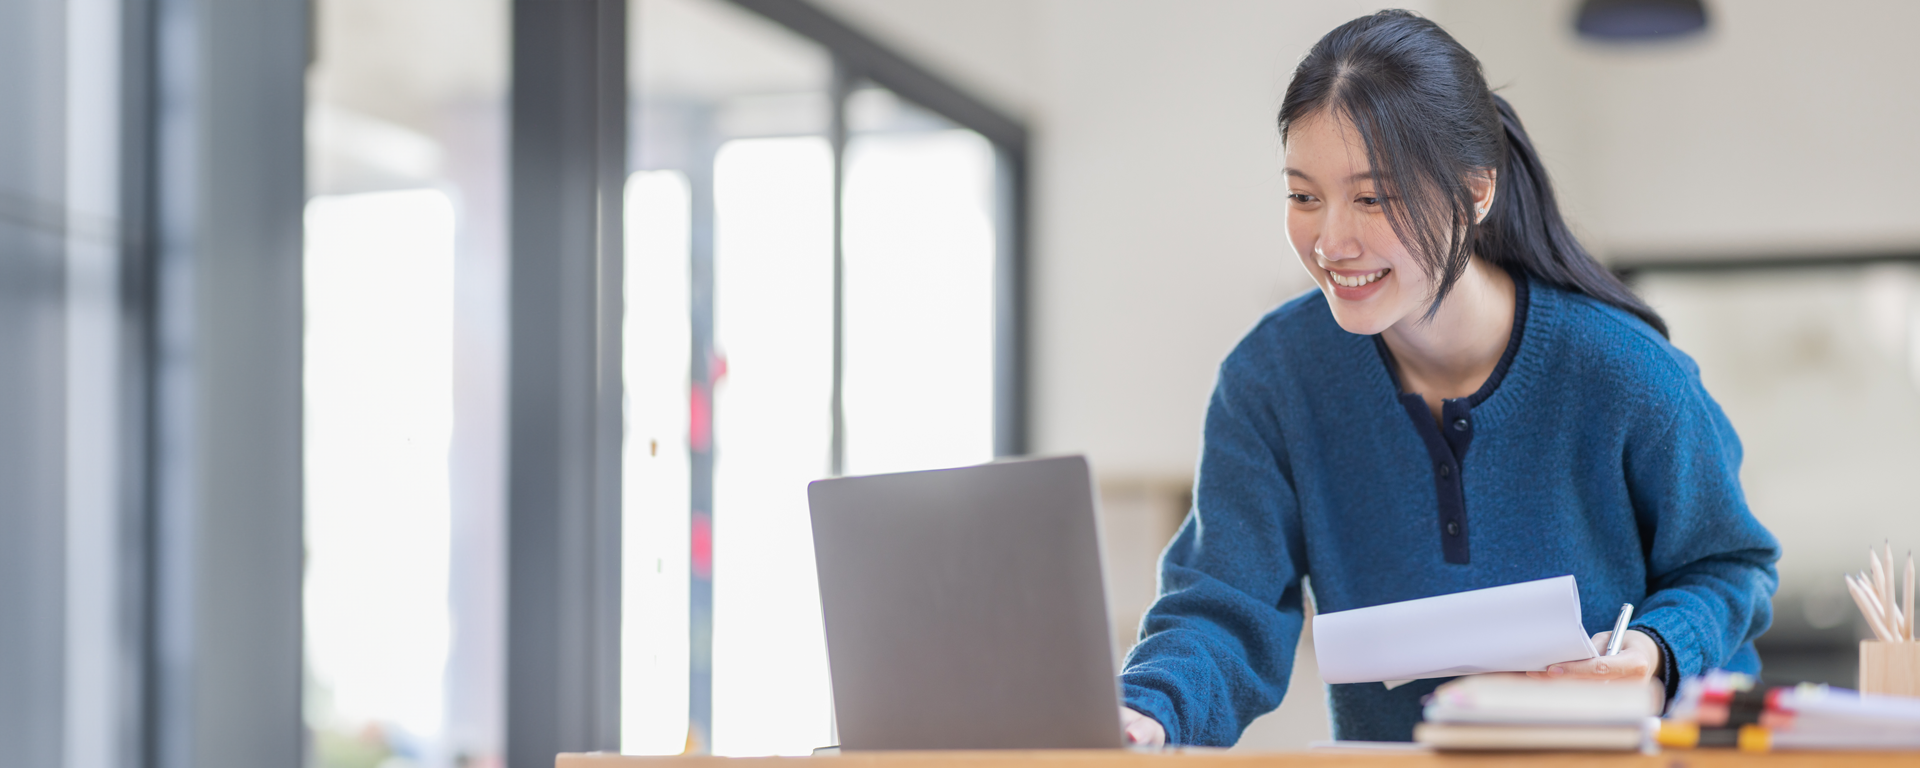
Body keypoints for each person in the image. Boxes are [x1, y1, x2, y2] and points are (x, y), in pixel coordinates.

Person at [1115, 9, 1780, 746]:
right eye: (1304, 195)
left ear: (1475, 193)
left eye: (1372, 198)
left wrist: (1655, 652)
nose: (1330, 240)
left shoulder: (1624, 371)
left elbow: (1731, 567)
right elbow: (1222, 604)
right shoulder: (1271, 380)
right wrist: (1148, 712)